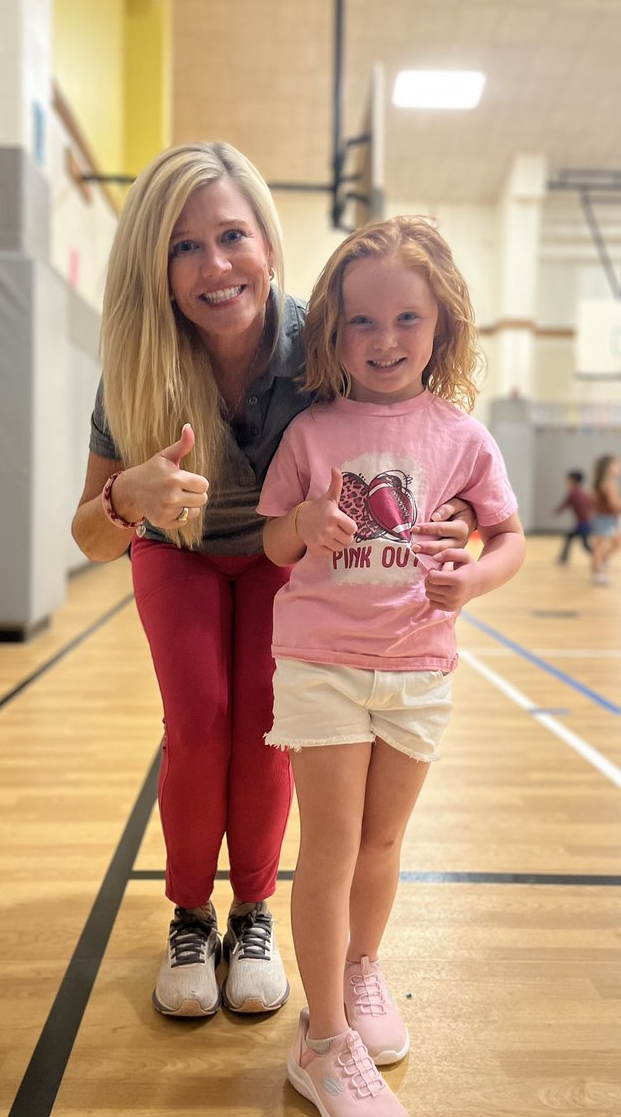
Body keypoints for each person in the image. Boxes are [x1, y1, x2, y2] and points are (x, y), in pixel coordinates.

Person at [71, 143, 475, 1023]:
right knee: (199, 719)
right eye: (184, 247)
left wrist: (463, 520)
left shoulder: (314, 346)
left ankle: (253, 913)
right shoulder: (137, 363)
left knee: (264, 720)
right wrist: (124, 497)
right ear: (157, 266)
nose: (214, 266)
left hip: (280, 556)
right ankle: (190, 912)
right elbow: (90, 537)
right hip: (175, 551)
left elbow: (408, 422)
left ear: (265, 240)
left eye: (230, 236)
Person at [258, 216, 525, 1116]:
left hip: (419, 662)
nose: (384, 340)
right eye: (361, 322)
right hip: (322, 660)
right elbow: (270, 538)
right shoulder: (310, 432)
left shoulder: (462, 436)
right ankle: (323, 1038)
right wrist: (301, 527)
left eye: (407, 320)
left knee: (381, 843)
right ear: (331, 330)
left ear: (441, 326)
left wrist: (476, 577)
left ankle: (360, 970)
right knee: (330, 847)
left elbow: (511, 535)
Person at [590, 454, 621, 585]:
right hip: (604, 518)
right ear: (609, 467)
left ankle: (600, 563)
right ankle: (597, 573)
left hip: (604, 518)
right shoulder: (609, 483)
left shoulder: (602, 482)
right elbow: (614, 504)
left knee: (612, 542)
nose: (618, 468)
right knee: (600, 546)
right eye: (616, 465)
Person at [553, 469, 593, 564]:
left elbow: (565, 504)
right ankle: (563, 558)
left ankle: (600, 557)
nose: (566, 482)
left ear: (574, 480)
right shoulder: (584, 493)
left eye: (568, 480)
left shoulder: (573, 493)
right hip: (584, 523)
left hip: (583, 524)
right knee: (574, 539)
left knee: (584, 544)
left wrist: (557, 511)